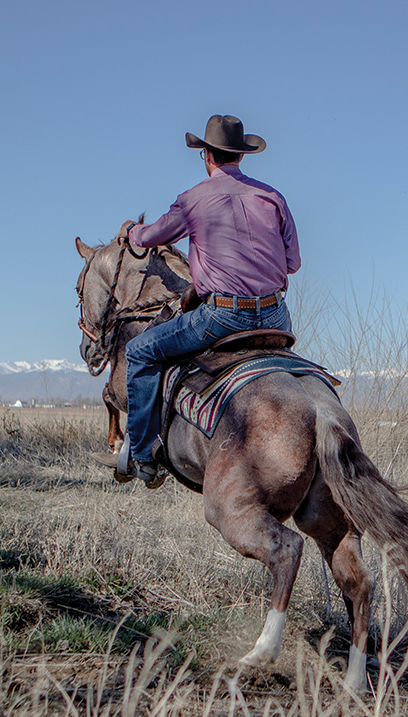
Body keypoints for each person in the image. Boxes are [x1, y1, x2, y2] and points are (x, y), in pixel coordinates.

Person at [113, 114, 301, 485]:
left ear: (207, 156)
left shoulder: (194, 199)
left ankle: (142, 456)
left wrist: (130, 231)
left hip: (222, 317)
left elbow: (151, 237)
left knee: (140, 352)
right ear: (241, 156)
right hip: (277, 317)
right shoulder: (273, 197)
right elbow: (293, 263)